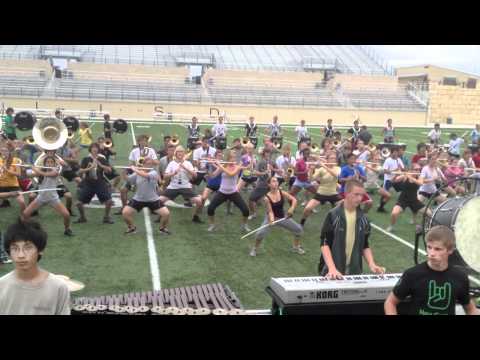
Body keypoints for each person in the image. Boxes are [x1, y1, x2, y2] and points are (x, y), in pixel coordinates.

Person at [384, 225, 479, 315]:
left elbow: (470, 309)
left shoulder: (460, 277)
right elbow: (390, 303)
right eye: (429, 247)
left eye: (437, 249)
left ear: (450, 250)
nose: (431, 253)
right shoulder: (412, 274)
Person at [0, 218, 70, 315]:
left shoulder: (58, 288)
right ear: (9, 252)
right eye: (15, 248)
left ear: (40, 250)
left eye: (28, 247)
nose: (21, 255)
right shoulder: (2, 285)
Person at [319, 180, 386, 278]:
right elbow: (325, 243)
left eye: (361, 195)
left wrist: (372, 263)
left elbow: (365, 245)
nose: (359, 198)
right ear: (346, 194)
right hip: (331, 272)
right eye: (356, 194)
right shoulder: (333, 215)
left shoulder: (364, 218)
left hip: (355, 272)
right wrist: (332, 268)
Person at [250, 176, 305, 257]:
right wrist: (272, 220)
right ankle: (255, 249)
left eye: (276, 181)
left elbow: (294, 200)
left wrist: (291, 209)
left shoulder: (281, 192)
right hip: (271, 218)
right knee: (260, 234)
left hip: (282, 217)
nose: (276, 183)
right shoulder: (266, 198)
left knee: (298, 230)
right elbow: (270, 211)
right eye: (273, 181)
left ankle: (296, 247)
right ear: (269, 184)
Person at [22, 156, 73, 236]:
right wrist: (24, 169)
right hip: (41, 198)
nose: (49, 163)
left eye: (51, 162)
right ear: (44, 163)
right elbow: (26, 175)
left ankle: (67, 229)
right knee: (25, 214)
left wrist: (33, 167)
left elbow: (46, 174)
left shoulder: (56, 171)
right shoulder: (40, 171)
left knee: (66, 215)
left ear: (54, 163)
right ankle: (26, 229)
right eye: (47, 162)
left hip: (53, 198)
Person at [122, 158, 170, 234]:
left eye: (150, 164)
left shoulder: (154, 173)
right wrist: (124, 172)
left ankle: (162, 228)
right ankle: (132, 227)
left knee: (166, 213)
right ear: (143, 164)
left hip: (153, 199)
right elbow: (128, 180)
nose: (149, 165)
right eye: (147, 164)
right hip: (138, 199)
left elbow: (146, 175)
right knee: (125, 212)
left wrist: (134, 169)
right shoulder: (138, 173)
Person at [159, 146, 204, 226]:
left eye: (182, 152)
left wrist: (185, 168)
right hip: (173, 186)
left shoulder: (188, 163)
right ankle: (161, 215)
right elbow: (165, 176)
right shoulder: (172, 163)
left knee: (199, 201)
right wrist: (173, 173)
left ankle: (195, 216)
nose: (180, 153)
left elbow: (195, 175)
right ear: (176, 154)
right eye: (178, 152)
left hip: (185, 186)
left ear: (184, 154)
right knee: (160, 200)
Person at [206, 151, 250, 232]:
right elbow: (212, 176)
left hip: (233, 193)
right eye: (231, 158)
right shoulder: (223, 166)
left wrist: (219, 165)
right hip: (222, 192)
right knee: (210, 209)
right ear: (228, 158)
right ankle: (212, 225)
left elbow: (231, 174)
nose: (233, 160)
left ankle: (244, 225)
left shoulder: (237, 167)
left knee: (245, 210)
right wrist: (210, 165)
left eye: (234, 158)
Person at [75, 143, 115, 224]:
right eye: (93, 147)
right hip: (88, 183)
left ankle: (106, 217)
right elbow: (79, 172)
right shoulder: (86, 159)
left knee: (109, 201)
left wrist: (101, 165)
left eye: (96, 147)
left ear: (98, 150)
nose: (95, 149)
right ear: (90, 149)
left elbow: (109, 170)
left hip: (99, 182)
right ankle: (82, 217)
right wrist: (89, 168)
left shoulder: (102, 159)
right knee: (78, 203)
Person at [301, 152, 341, 227]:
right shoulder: (321, 169)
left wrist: (323, 165)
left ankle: (337, 224)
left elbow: (336, 175)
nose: (333, 160)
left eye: (334, 158)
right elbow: (310, 180)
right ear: (327, 160)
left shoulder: (338, 168)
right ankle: (302, 223)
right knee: (307, 208)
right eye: (331, 158)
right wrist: (311, 170)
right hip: (321, 193)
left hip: (333, 193)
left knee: (343, 209)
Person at [386, 163, 428, 232]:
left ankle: (422, 226)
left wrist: (410, 177)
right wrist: (396, 175)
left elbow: (420, 183)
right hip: (403, 199)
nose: (418, 171)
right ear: (411, 170)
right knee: (394, 213)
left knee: (429, 213)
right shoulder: (405, 176)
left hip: (414, 200)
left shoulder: (420, 177)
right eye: (416, 169)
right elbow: (393, 181)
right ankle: (391, 226)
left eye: (419, 170)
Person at [377, 147, 404, 213]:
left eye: (397, 152)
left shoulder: (398, 160)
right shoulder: (388, 160)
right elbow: (385, 171)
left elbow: (403, 168)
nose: (396, 153)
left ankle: (401, 205)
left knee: (403, 189)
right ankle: (381, 207)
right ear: (392, 153)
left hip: (396, 179)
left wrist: (401, 169)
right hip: (388, 180)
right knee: (385, 195)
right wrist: (395, 170)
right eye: (394, 152)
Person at [0, 143, 26, 211]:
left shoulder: (15, 160)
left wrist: (7, 170)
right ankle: (6, 201)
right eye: (2, 150)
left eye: (6, 151)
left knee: (22, 202)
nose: (4, 152)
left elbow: (18, 174)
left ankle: (24, 216)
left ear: (9, 152)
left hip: (13, 185)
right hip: (1, 185)